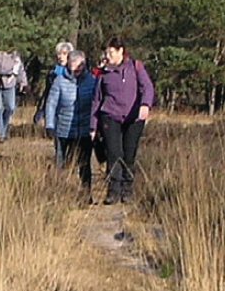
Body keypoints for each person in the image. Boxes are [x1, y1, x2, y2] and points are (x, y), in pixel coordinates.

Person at [89, 37, 154, 204]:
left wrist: (145, 105)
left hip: (134, 119)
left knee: (129, 154)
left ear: (120, 51)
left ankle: (127, 191)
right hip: (110, 116)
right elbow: (97, 99)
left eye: (111, 52)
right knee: (113, 154)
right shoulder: (103, 73)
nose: (107, 55)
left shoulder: (136, 67)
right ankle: (113, 191)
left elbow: (147, 87)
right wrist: (93, 126)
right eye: (106, 52)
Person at [43, 49, 100, 199]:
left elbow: (97, 103)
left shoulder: (92, 81)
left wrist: (97, 126)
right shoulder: (59, 81)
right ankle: (59, 194)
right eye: (73, 64)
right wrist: (49, 124)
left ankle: (86, 194)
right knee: (62, 163)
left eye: (79, 65)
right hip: (63, 130)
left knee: (84, 164)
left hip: (84, 130)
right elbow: (51, 104)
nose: (77, 68)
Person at [33, 41, 75, 128]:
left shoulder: (76, 72)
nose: (61, 57)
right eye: (59, 54)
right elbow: (47, 94)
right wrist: (40, 110)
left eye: (64, 54)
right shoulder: (53, 73)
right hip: (55, 111)